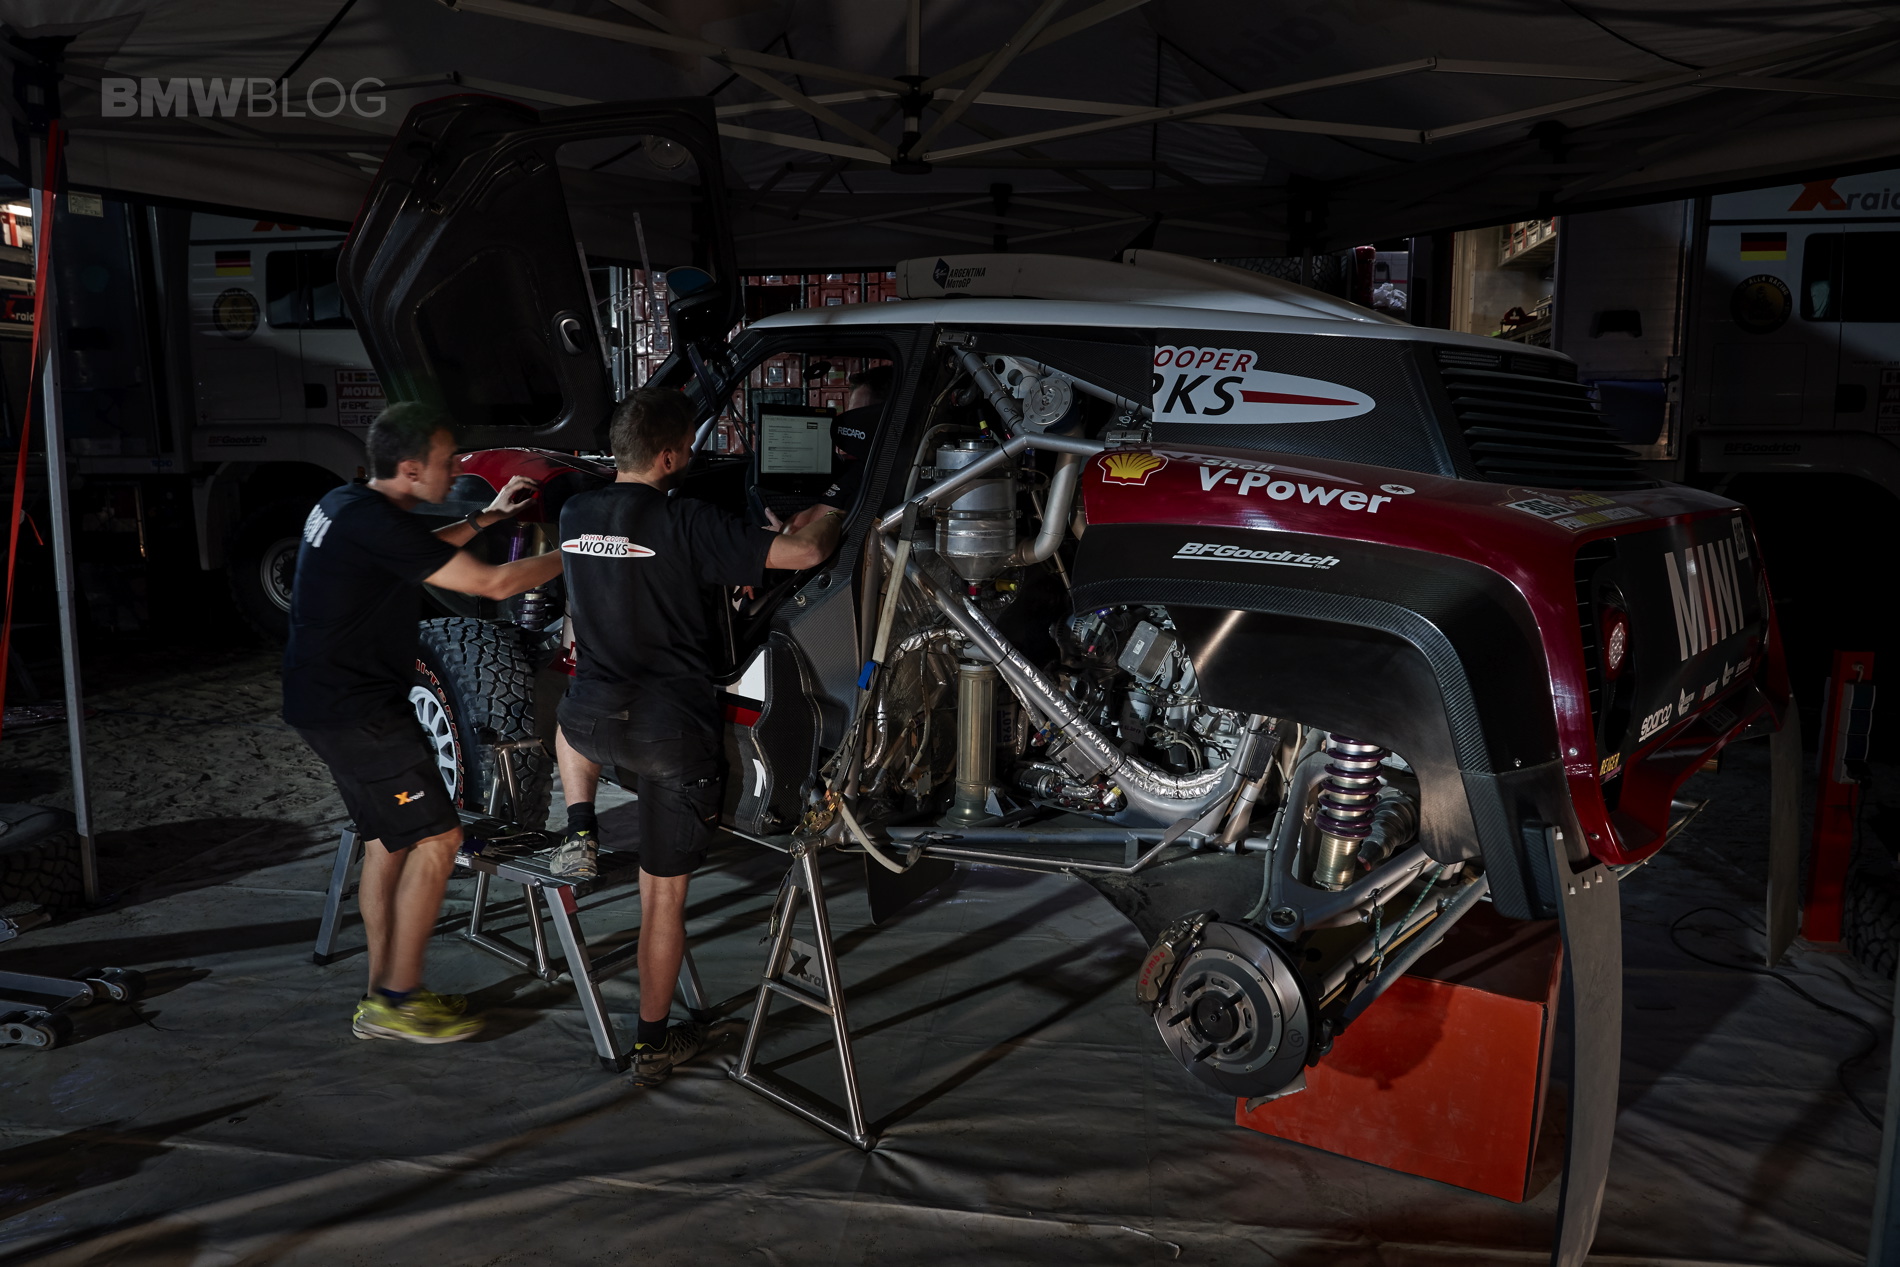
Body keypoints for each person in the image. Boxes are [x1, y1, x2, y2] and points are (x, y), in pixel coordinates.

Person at [552, 386, 843, 1085]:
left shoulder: (573, 512)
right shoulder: (687, 520)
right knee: (662, 900)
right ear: (670, 456)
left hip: (591, 724)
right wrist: (835, 506)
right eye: (687, 448)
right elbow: (805, 553)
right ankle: (653, 1045)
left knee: (573, 713)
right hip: (668, 737)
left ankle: (579, 828)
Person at [284, 402, 564, 1044]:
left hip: (328, 705)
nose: (455, 470)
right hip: (359, 715)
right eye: (445, 462)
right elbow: (492, 585)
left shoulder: (346, 504)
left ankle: (381, 994)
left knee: (388, 842)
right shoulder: (374, 521)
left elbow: (417, 554)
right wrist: (585, 552)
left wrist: (489, 517)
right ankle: (397, 1001)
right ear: (410, 469)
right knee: (439, 839)